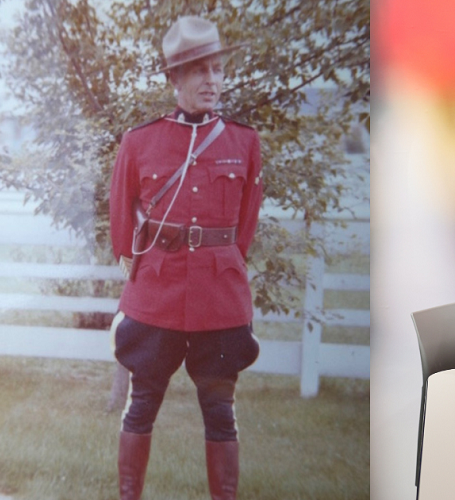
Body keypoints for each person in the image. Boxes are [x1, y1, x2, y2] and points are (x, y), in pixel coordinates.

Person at [109, 16, 263, 500]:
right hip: (156, 294)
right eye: (199, 72)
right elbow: (120, 220)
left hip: (219, 298)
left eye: (217, 69)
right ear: (174, 79)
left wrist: (219, 262)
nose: (212, 81)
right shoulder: (140, 142)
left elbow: (245, 228)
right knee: (142, 403)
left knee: (220, 408)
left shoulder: (245, 142)